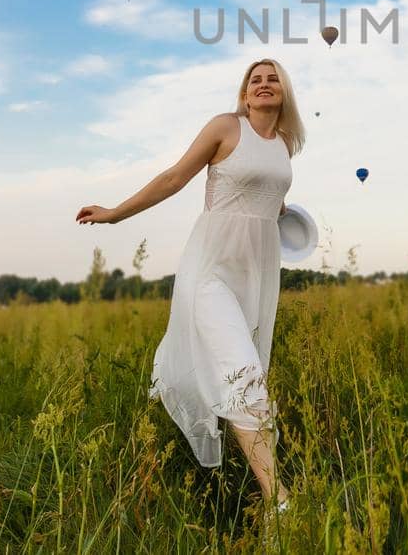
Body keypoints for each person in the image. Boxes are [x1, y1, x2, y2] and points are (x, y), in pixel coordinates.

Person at [75, 58, 303, 513]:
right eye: (254, 80)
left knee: (246, 366)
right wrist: (115, 213)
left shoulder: (284, 143)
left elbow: (267, 199)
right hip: (211, 268)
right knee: (244, 375)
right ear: (243, 94)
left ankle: (190, 393)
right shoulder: (224, 127)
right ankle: (280, 503)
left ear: (284, 91)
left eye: (272, 78)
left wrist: (288, 218)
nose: (263, 84)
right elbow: (174, 178)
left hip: (256, 271)